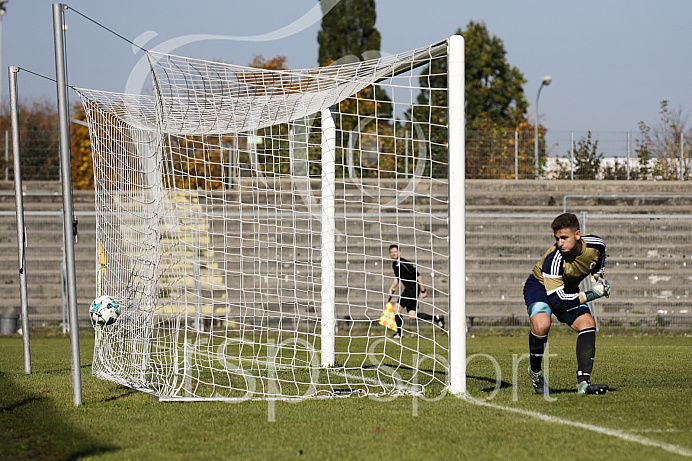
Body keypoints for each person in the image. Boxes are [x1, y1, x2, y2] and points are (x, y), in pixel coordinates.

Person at [523, 213, 611, 395]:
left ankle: (583, 384)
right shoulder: (553, 259)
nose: (560, 243)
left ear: (577, 235)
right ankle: (535, 372)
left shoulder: (597, 244)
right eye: (557, 239)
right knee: (542, 325)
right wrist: (592, 294)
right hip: (539, 287)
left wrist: (598, 277)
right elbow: (558, 302)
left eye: (564, 238)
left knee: (588, 325)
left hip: (567, 288)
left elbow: (599, 258)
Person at [387, 244, 444, 338]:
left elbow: (418, 275)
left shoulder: (404, 264)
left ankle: (399, 333)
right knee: (412, 315)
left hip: (412, 289)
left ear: (399, 252)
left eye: (395, 251)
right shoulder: (395, 264)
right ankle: (436, 318)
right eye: (391, 252)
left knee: (396, 309)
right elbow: (397, 278)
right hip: (409, 289)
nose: (393, 254)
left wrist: (423, 290)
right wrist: (391, 288)